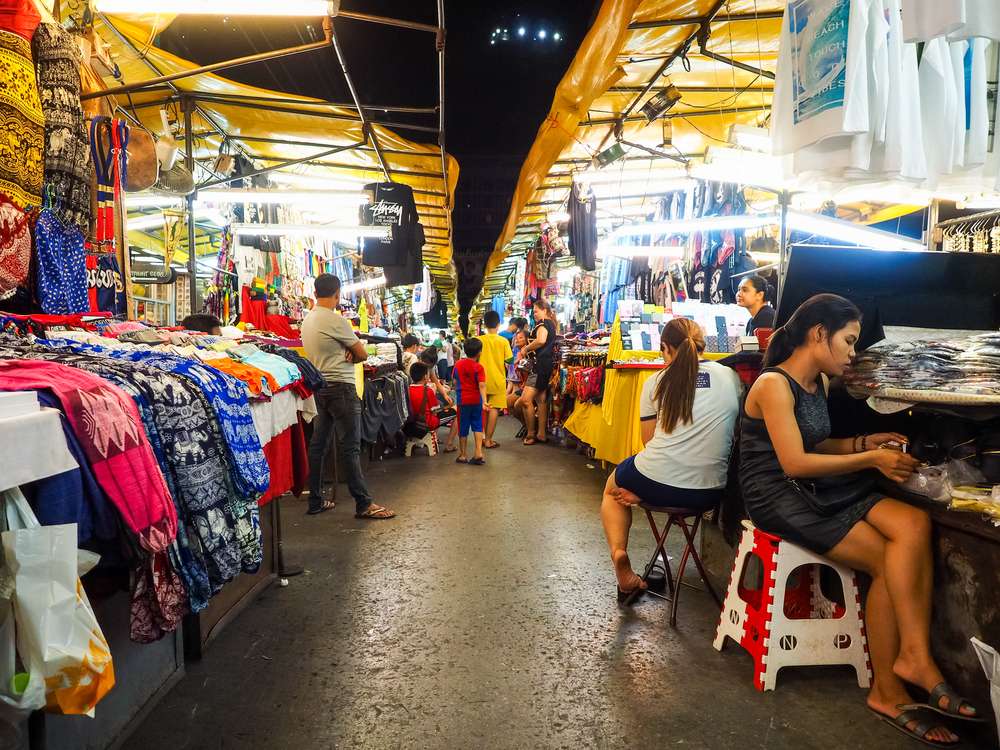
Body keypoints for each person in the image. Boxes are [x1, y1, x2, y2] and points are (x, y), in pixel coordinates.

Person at [741, 293, 977, 746]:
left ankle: (912, 656)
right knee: (884, 558)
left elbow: (817, 445)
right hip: (776, 494)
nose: (852, 353)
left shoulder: (818, 385)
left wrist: (863, 442)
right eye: (848, 341)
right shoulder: (773, 384)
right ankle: (889, 690)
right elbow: (793, 462)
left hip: (812, 486)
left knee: (913, 525)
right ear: (818, 335)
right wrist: (870, 460)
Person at [600, 318, 741, 600]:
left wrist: (646, 487)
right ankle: (642, 493)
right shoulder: (730, 377)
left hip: (656, 479)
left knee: (611, 489)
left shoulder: (656, 382)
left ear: (665, 348)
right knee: (661, 475)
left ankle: (619, 556)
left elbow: (649, 442)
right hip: (709, 493)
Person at [300, 273, 395, 520]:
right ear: (337, 294)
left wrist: (348, 350)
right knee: (350, 447)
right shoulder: (336, 321)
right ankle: (364, 503)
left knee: (318, 445)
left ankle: (315, 500)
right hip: (342, 387)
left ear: (315, 292)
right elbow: (362, 354)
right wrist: (350, 351)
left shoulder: (307, 320)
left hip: (319, 388)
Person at [515, 299, 557, 445]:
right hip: (545, 365)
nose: (534, 314)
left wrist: (526, 348)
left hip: (540, 365)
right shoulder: (550, 324)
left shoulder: (545, 323)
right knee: (541, 400)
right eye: (534, 312)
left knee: (526, 400)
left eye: (536, 311)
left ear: (545, 310)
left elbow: (540, 340)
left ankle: (531, 433)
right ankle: (541, 433)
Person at [477, 310, 514, 449]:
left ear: (484, 325)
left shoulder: (479, 340)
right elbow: (510, 360)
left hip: (481, 381)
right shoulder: (503, 341)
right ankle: (488, 440)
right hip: (498, 380)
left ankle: (479, 439)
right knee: (494, 410)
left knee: (480, 409)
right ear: (498, 324)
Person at [452, 337, 488, 465]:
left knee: (463, 427)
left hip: (462, 401)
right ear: (479, 352)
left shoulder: (458, 365)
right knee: (478, 425)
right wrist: (484, 401)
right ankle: (478, 453)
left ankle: (463, 455)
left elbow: (455, 381)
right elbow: (482, 385)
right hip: (476, 401)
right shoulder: (479, 367)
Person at [420, 346, 459, 452]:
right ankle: (448, 444)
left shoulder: (414, 386)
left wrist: (445, 396)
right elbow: (435, 410)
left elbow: (436, 381)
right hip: (428, 419)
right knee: (458, 412)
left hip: (419, 416)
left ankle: (434, 438)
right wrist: (446, 408)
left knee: (446, 402)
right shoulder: (428, 391)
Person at [506, 328, 530, 437]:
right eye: (517, 337)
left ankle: (530, 429)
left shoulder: (528, 352)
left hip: (530, 387)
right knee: (507, 402)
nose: (517, 340)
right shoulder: (519, 353)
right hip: (522, 386)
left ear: (527, 339)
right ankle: (526, 425)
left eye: (521, 338)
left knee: (517, 404)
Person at [407, 362, 440, 432]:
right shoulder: (428, 391)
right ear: (425, 377)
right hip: (426, 423)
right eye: (428, 374)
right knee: (455, 410)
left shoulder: (407, 389)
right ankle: (438, 440)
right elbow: (435, 411)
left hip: (412, 422)